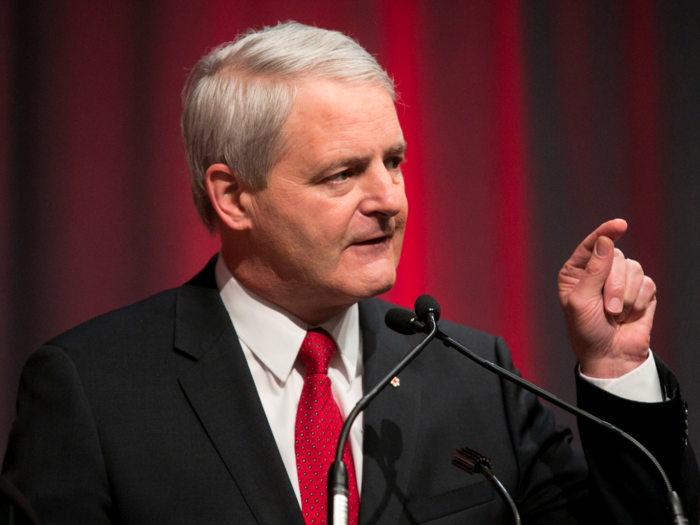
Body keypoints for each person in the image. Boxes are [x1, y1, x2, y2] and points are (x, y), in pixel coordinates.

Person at [3, 21, 698, 525]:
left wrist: (614, 367)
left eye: (392, 162)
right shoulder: (92, 390)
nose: (389, 201)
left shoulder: (474, 376)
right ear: (233, 196)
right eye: (343, 173)